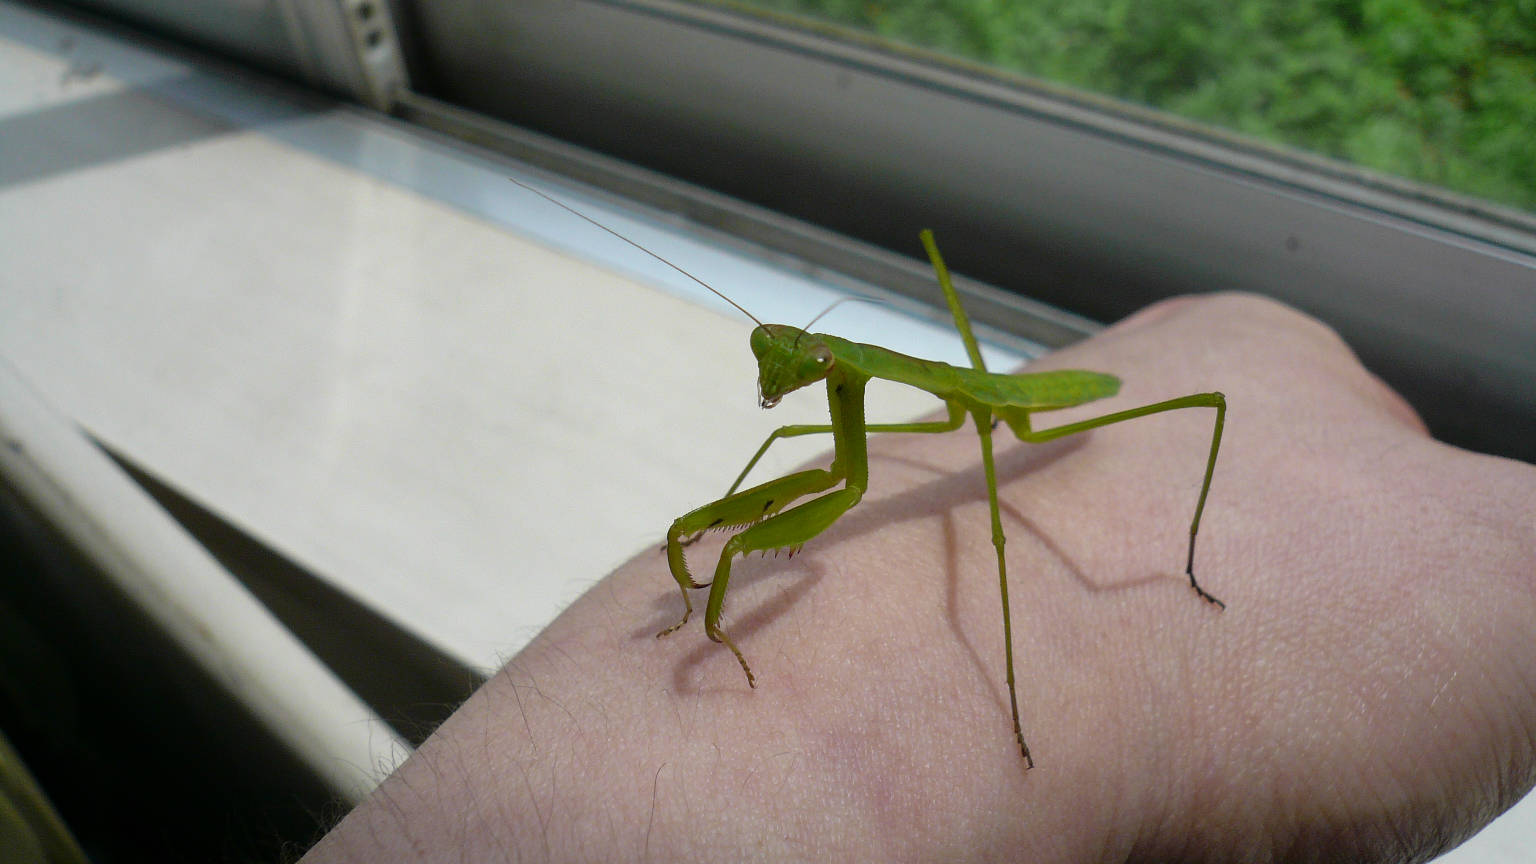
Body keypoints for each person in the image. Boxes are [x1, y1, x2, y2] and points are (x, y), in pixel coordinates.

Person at [303, 294, 1536, 862]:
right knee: (838, 471)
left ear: (824, 354)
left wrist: (1020, 711)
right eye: (782, 363)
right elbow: (832, 476)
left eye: (793, 362)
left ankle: (1162, 583)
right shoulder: (833, 394)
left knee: (1014, 518)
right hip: (988, 406)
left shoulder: (936, 405)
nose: (783, 381)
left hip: (1054, 412)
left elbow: (889, 502)